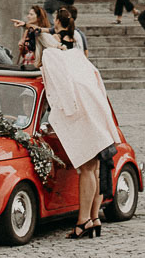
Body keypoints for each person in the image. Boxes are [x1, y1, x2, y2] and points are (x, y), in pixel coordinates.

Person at [38, 42, 120, 242]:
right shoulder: (79, 66)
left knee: (87, 170)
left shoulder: (56, 63)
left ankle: (83, 221)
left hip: (82, 120)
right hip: (97, 119)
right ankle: (93, 218)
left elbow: (61, 93)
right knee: (95, 170)